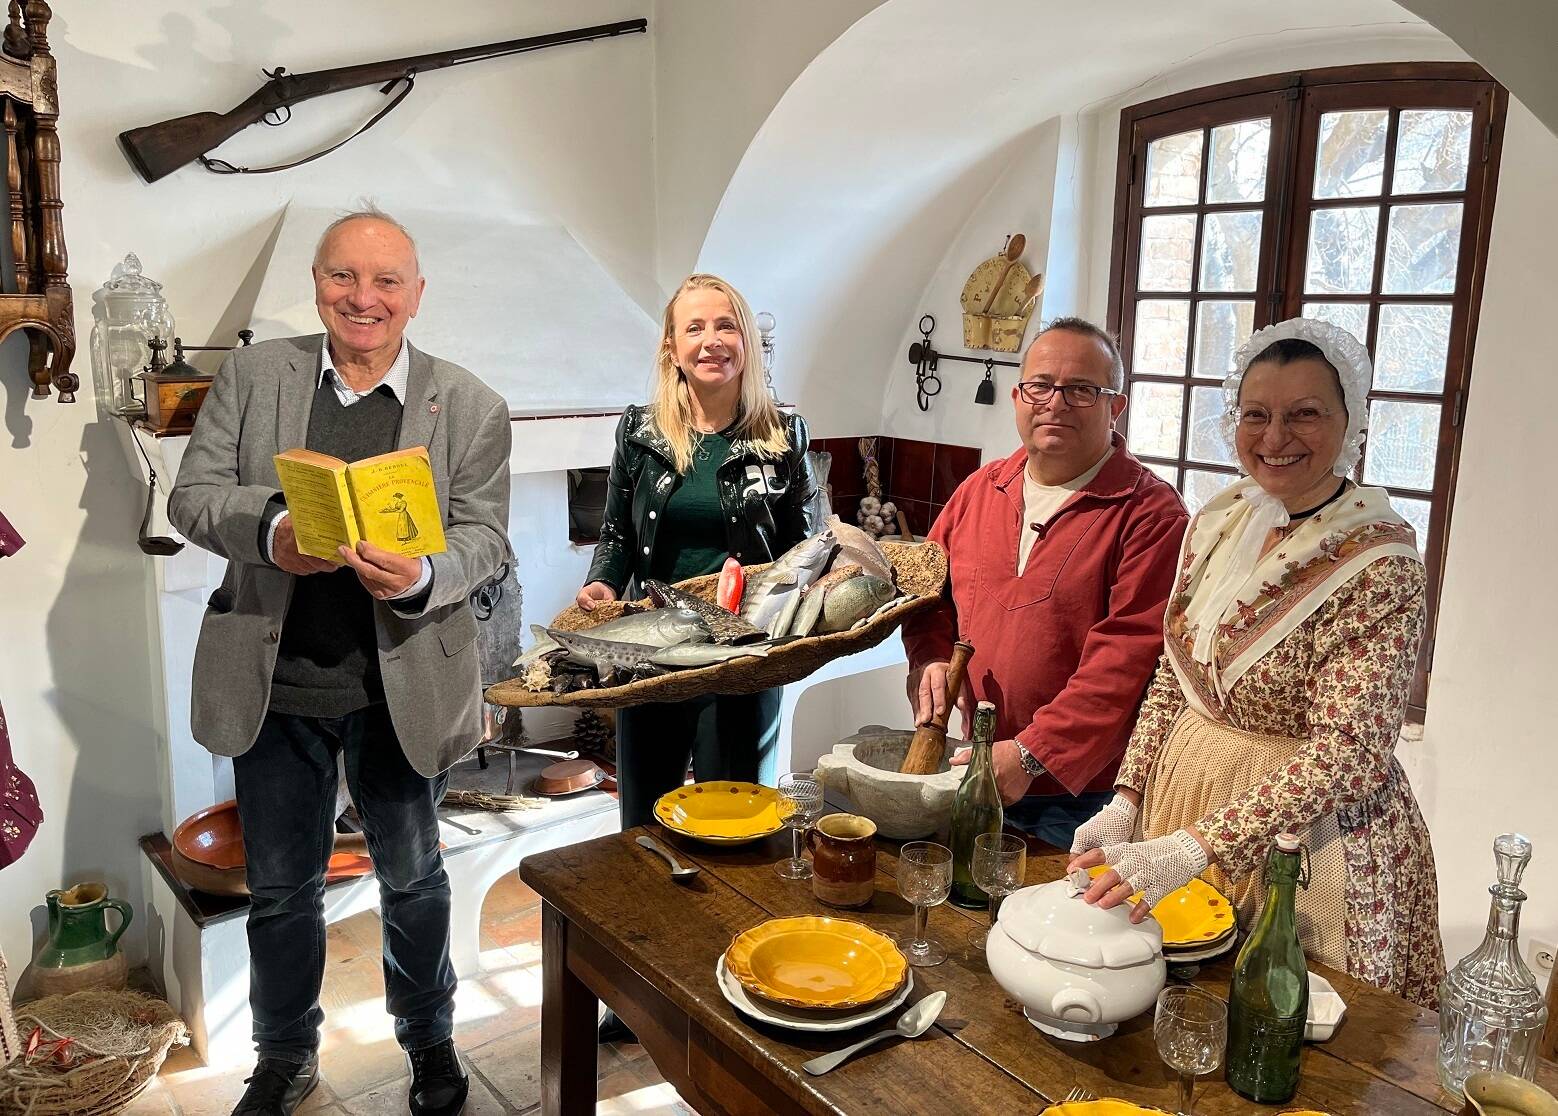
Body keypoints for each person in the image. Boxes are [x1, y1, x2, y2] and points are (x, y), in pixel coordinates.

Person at [169, 209, 512, 1115]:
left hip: (404, 687)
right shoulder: (249, 377)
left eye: (386, 281)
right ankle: (285, 1059)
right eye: (342, 278)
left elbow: (486, 538)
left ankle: (430, 1046)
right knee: (282, 894)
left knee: (414, 880)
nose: (363, 299)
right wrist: (274, 528)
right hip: (276, 686)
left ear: (416, 295)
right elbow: (192, 500)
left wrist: (424, 575)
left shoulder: (469, 404)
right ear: (317, 282)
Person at [1069, 317, 1443, 1008]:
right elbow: (1174, 676)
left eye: (1306, 414)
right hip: (1184, 805)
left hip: (1309, 843)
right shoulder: (1222, 521)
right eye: (1256, 414)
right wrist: (1126, 797)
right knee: (1176, 1006)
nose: (1275, 438)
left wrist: (1194, 847)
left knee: (1285, 1031)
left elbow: (1349, 755)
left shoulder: (1378, 562)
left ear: (1350, 420)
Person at [575, 274, 815, 1042]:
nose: (711, 341)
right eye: (694, 329)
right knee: (642, 817)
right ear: (673, 348)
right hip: (653, 645)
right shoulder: (640, 430)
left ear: (745, 341)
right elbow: (615, 533)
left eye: (725, 326)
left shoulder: (785, 432)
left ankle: (723, 975)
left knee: (734, 815)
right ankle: (634, 981)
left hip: (743, 653)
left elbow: (809, 552)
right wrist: (601, 587)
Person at [901, 318, 1188, 848]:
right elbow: (927, 599)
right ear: (1017, 396)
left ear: (1115, 406)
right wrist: (931, 661)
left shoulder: (1151, 514)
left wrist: (1034, 753)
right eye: (1040, 385)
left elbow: (1124, 663)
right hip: (975, 767)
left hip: (1082, 798)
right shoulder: (981, 490)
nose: (1055, 403)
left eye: (1082, 389)